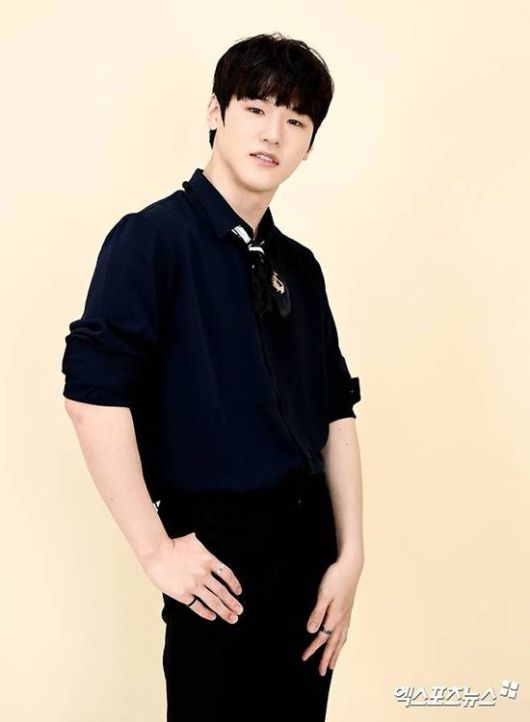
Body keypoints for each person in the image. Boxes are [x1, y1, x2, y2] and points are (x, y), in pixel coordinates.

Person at [61, 31, 364, 722]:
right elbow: (92, 398)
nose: (273, 134)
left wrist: (350, 558)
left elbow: (335, 411)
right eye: (256, 108)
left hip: (311, 552)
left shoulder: (299, 266)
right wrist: (155, 550)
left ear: (310, 143)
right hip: (219, 555)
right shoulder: (151, 240)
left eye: (296, 120)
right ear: (215, 112)